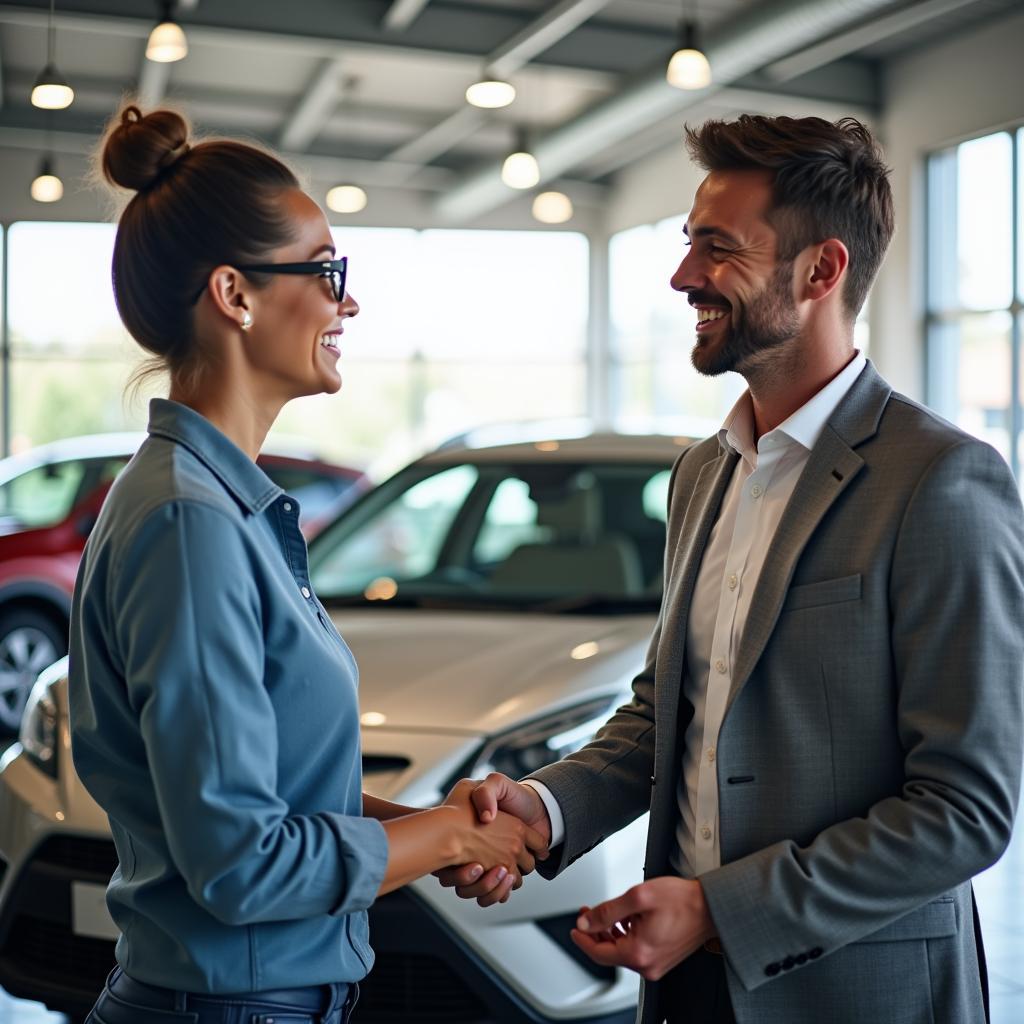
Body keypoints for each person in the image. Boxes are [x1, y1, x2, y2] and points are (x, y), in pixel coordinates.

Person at [439, 115, 1024, 1024]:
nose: (682, 278)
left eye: (718, 250)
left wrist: (720, 908)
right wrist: (544, 807)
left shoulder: (941, 480)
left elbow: (965, 808)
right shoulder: (703, 473)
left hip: (853, 993)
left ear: (821, 271)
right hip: (686, 992)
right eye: (687, 246)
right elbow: (668, 712)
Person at [68, 104, 546, 1024]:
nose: (348, 302)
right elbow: (242, 862)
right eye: (329, 273)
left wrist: (427, 829)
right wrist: (442, 838)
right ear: (234, 296)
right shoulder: (189, 522)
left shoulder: (217, 505)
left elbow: (282, 793)